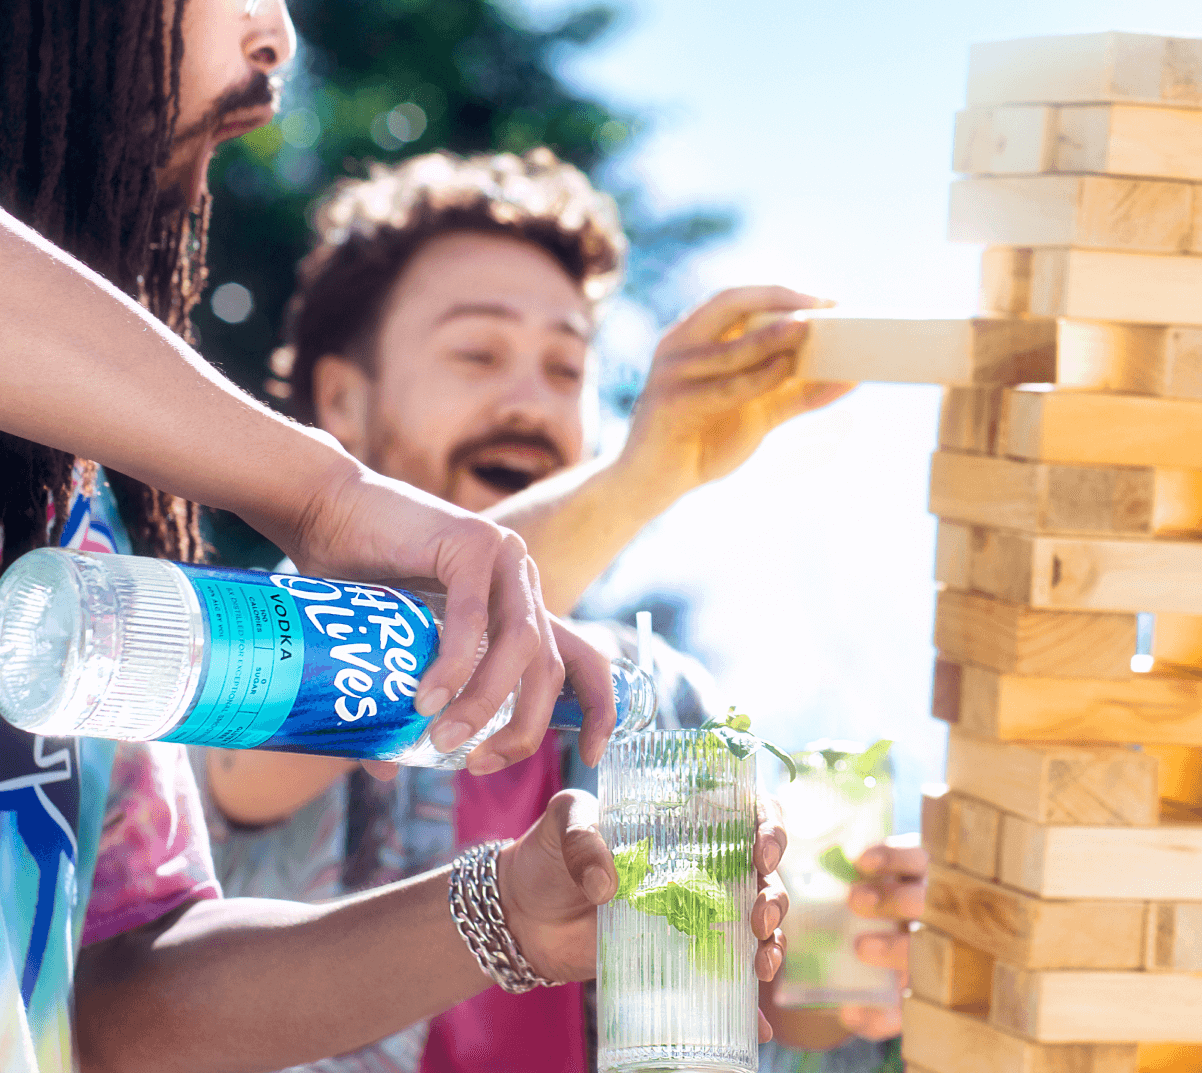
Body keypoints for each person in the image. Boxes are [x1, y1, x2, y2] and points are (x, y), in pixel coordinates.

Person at [0, 0, 793, 1073]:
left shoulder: (81, 517)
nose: (279, 37)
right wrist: (323, 496)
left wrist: (503, 915)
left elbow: (120, 994)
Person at [199, 149, 923, 1071]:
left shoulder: (659, 695)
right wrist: (642, 474)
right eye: (477, 353)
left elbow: (785, 999)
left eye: (565, 367)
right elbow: (238, 772)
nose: (530, 402)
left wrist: (861, 934)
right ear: (343, 397)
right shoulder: (271, 638)